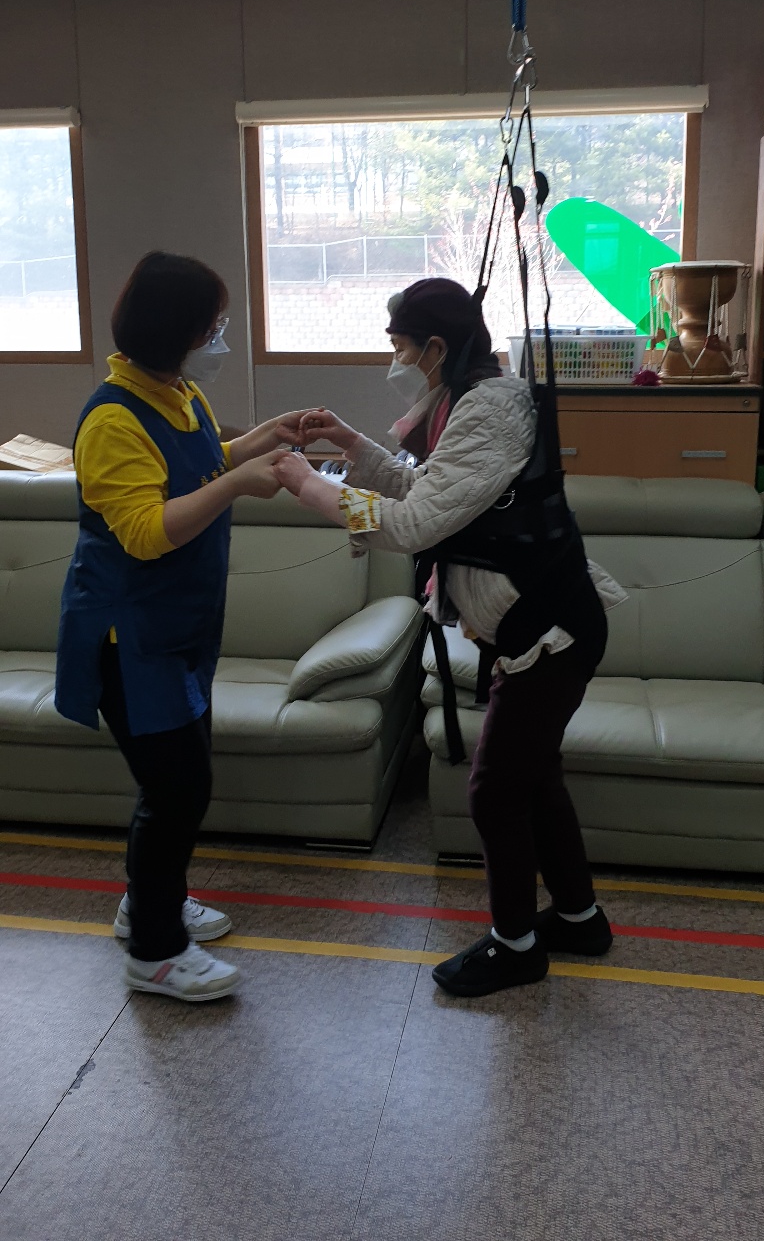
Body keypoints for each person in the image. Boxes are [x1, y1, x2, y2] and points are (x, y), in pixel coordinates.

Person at [270, 278, 625, 999]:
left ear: (436, 346)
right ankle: (580, 919)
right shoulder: (462, 403)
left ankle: (516, 947)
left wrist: (310, 486)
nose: (396, 361)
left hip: (551, 633)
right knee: (535, 780)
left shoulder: (491, 409)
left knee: (495, 792)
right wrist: (351, 444)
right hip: (538, 629)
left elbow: (412, 525)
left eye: (400, 347)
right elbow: (427, 491)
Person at [55, 251, 308, 1003]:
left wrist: (258, 441)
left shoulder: (175, 392)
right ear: (181, 330)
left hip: (179, 629)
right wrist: (237, 485)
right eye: (213, 327)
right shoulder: (112, 418)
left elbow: (194, 467)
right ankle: (155, 951)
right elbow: (144, 531)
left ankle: (149, 902)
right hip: (128, 639)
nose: (219, 338)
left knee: (180, 783)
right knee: (177, 790)